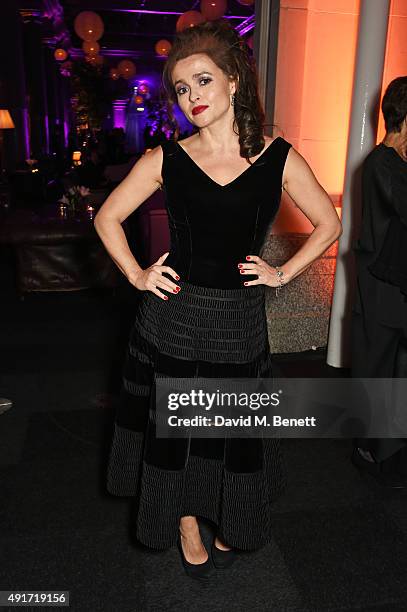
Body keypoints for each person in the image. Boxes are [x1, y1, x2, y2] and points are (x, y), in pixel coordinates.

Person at [94, 20, 341, 580]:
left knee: (232, 428)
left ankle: (228, 515)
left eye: (202, 81)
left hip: (239, 322)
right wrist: (136, 275)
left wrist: (283, 274)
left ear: (233, 82)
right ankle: (184, 522)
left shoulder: (276, 157)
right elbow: (108, 216)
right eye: (181, 89)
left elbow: (328, 222)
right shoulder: (167, 159)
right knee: (179, 429)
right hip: (173, 318)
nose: (192, 98)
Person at [351, 76, 407, 488]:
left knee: (397, 366)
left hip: (397, 281)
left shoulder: (398, 164)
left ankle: (390, 446)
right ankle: (369, 449)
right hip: (380, 283)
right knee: (377, 364)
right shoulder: (380, 163)